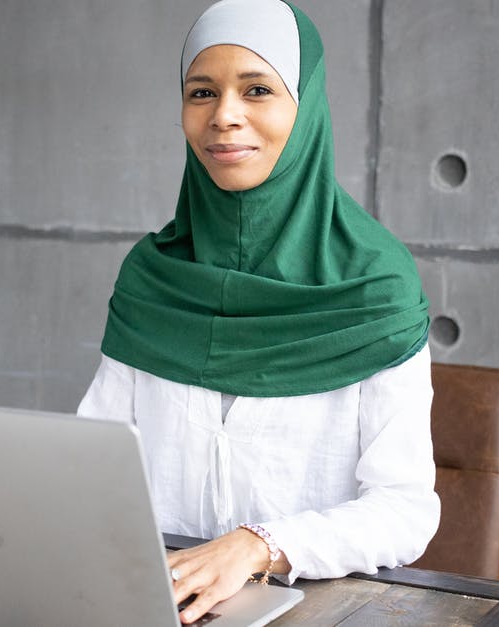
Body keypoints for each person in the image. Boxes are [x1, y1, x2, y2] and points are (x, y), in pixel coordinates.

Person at [77, 0, 439, 623]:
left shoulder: (376, 286)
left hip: (316, 610)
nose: (224, 117)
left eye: (257, 89)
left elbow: (405, 511)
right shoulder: (152, 275)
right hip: (152, 606)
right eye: (201, 92)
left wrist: (261, 546)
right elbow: (89, 466)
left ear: (305, 107)